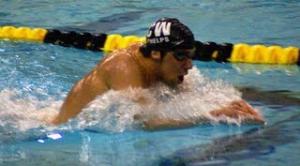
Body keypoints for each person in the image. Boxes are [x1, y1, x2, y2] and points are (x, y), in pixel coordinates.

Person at [51, 18, 265, 129]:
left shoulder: (164, 69)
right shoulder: (123, 67)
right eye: (181, 56)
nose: (189, 65)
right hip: (59, 127)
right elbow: (145, 123)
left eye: (190, 55)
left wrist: (226, 106)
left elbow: (189, 99)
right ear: (155, 53)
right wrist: (212, 116)